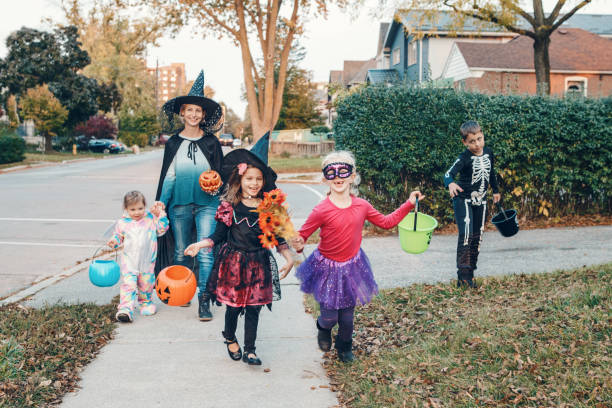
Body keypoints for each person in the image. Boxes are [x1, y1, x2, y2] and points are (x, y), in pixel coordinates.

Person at [292, 150, 424, 363]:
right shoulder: (321, 210)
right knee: (330, 316)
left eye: (343, 171)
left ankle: (344, 347)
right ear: (325, 178)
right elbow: (302, 236)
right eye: (331, 172)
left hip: (352, 266)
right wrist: (298, 243)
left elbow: (386, 222)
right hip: (327, 269)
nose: (337, 177)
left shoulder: (362, 206)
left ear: (352, 177)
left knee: (347, 316)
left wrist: (408, 204)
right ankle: (322, 327)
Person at [184, 133, 294, 366]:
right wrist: (200, 244)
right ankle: (230, 336)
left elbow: (279, 238)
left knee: (254, 308)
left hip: (259, 263)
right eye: (249, 178)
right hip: (233, 264)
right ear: (240, 179)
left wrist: (288, 257)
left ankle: (250, 350)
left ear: (264, 182)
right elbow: (218, 236)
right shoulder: (229, 207)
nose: (254, 183)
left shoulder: (269, 208)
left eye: (259, 179)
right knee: (233, 308)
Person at [155, 70, 225, 321]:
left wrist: (218, 190)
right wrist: (162, 203)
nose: (194, 114)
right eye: (189, 110)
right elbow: (169, 177)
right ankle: (181, 290)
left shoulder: (211, 143)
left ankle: (204, 299)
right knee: (181, 250)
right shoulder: (173, 143)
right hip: (179, 205)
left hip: (208, 204)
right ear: (182, 113)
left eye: (198, 111)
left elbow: (220, 176)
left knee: (205, 251)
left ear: (203, 115)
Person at [443, 120, 500, 288]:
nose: (477, 144)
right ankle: (463, 277)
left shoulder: (488, 153)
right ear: (465, 143)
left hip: (481, 200)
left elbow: (491, 172)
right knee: (466, 235)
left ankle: (470, 274)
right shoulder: (464, 158)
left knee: (478, 236)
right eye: (472, 142)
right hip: (463, 200)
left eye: (480, 139)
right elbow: (448, 174)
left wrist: (495, 191)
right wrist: (451, 184)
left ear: (483, 136)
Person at [107, 191, 169, 323]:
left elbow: (162, 229)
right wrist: (114, 241)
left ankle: (146, 303)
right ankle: (125, 309)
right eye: (132, 209)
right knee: (128, 285)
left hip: (147, 261)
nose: (137, 212)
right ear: (126, 209)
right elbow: (119, 235)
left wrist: (160, 215)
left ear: (145, 206)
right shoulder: (122, 223)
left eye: (140, 208)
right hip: (129, 261)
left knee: (146, 285)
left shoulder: (150, 218)